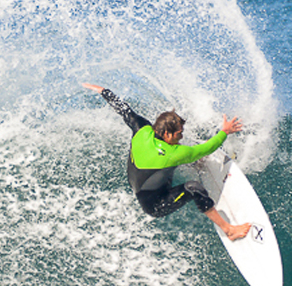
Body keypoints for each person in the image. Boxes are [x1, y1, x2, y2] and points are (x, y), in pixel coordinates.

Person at [83, 83, 252, 241]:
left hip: (141, 185)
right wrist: (225, 131)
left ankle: (195, 163)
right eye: (179, 133)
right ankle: (229, 230)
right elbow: (208, 148)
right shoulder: (174, 153)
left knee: (172, 161)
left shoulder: (142, 129)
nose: (182, 136)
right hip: (155, 204)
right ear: (167, 134)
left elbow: (124, 110)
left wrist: (102, 90)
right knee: (194, 188)